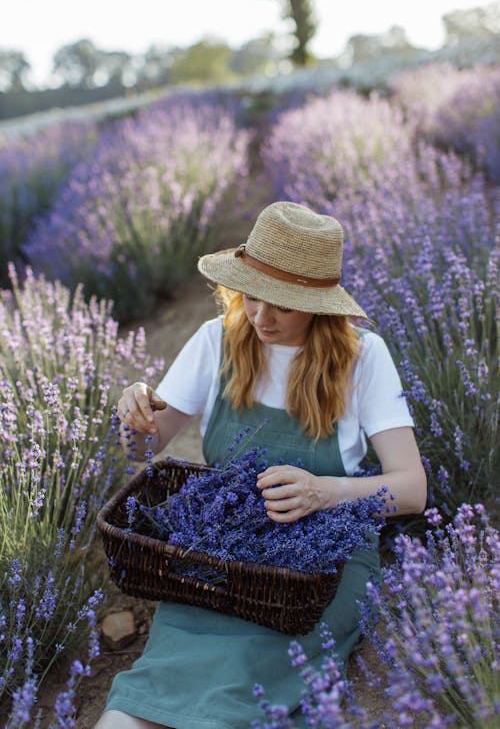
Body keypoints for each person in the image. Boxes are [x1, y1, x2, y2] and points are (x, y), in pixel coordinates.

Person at [94, 201, 426, 729]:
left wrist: (321, 492)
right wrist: (133, 416)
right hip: (222, 551)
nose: (260, 317)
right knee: (153, 685)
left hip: (321, 562)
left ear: (318, 305)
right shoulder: (217, 340)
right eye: (251, 296)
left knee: (248, 684)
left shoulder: (364, 358)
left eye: (282, 306)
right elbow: (146, 450)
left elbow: (411, 489)